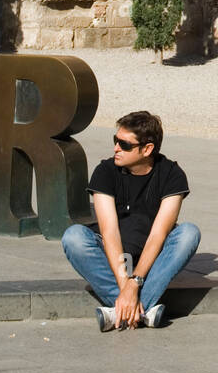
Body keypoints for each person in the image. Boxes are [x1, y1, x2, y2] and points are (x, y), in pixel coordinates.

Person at [61, 111, 200, 331]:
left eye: (125, 145)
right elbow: (109, 231)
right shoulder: (105, 171)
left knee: (189, 233)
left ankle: (119, 312)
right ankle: (141, 310)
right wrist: (126, 286)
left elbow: (159, 234)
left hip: (152, 258)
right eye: (115, 141)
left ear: (147, 149)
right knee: (74, 237)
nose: (116, 148)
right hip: (113, 255)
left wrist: (135, 282)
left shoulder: (172, 175)